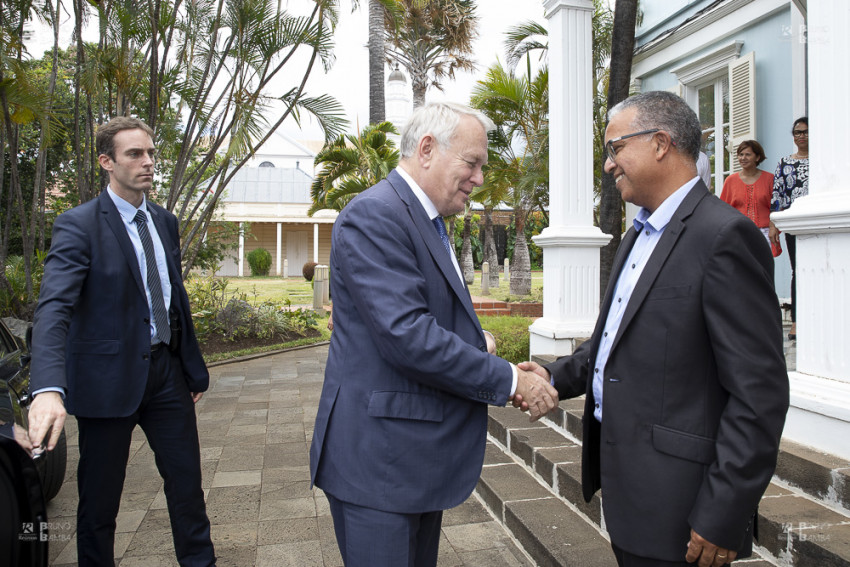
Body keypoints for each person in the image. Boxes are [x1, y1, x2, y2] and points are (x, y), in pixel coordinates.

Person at [517, 91, 789, 566]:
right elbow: (612, 343)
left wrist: (723, 512)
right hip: (628, 492)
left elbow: (759, 394)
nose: (609, 165)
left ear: (660, 142)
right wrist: (553, 376)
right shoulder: (635, 236)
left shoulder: (724, 237)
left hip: (684, 506)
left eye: (615, 148)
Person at [309, 102, 559, 566]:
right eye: (472, 162)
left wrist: (472, 341)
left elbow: (416, 318)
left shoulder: (424, 220)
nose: (480, 178)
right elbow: (407, 335)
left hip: (408, 459)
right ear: (427, 149)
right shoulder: (377, 216)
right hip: (380, 463)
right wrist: (509, 379)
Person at [27, 117, 216, 566]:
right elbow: (54, 309)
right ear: (106, 161)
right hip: (106, 382)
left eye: (150, 153)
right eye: (134, 154)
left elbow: (172, 299)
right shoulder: (79, 226)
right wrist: (48, 387)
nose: (147, 162)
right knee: (99, 503)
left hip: (166, 376)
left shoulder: (165, 223)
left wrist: (189, 367)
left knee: (188, 489)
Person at [770, 116, 808, 340]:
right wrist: (775, 223)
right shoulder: (785, 163)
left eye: (805, 131)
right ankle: (796, 321)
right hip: (794, 224)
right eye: (797, 132)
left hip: (818, 220)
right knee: (798, 271)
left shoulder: (822, 160)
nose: (801, 136)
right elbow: (777, 194)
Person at [719, 140, 775, 245]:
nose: (743, 158)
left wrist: (773, 228)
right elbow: (724, 210)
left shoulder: (769, 179)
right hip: (739, 233)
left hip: (764, 233)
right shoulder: (730, 180)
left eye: (748, 155)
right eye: (741, 154)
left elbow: (776, 207)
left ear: (757, 157)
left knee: (762, 261)